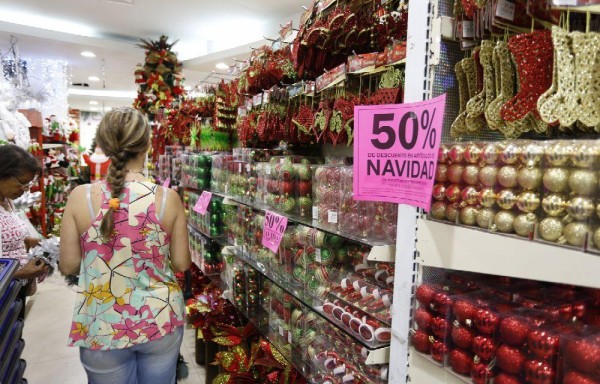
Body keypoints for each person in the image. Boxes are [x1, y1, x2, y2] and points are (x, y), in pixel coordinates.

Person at [59, 107, 190, 384]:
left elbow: (68, 265)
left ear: (104, 145)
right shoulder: (167, 198)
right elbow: (181, 263)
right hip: (159, 317)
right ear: (148, 144)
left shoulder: (79, 197)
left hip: (102, 321)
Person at [0, 144, 48, 318]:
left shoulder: (6, 200)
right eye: (22, 183)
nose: (25, 190)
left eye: (28, 184)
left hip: (12, 293)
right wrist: (21, 273)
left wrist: (27, 241)